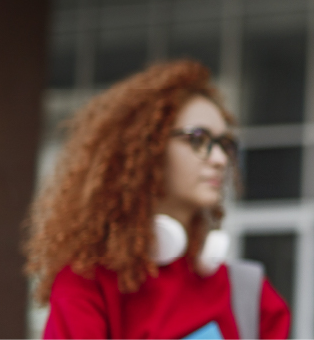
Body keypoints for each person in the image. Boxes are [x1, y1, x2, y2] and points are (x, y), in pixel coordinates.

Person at [25, 60, 291, 339]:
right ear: (145, 148)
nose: (220, 159)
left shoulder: (249, 294)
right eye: (197, 139)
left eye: (225, 144)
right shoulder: (86, 284)